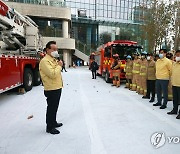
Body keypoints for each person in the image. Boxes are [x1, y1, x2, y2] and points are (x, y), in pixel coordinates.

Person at [39, 41, 63, 135]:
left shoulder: (53, 59)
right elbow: (52, 74)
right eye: (53, 49)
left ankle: (54, 122)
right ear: (48, 50)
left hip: (57, 87)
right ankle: (49, 127)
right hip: (51, 88)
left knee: (55, 107)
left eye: (56, 49)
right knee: (51, 108)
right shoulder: (45, 61)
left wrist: (58, 64)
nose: (55, 51)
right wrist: (59, 66)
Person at [167, 50, 180, 119]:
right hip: (174, 84)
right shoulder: (174, 64)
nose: (177, 56)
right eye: (176, 55)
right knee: (175, 98)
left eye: (179, 55)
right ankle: (175, 110)